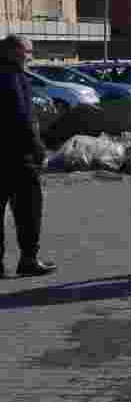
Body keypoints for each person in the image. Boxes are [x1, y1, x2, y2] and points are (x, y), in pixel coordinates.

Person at [0, 34, 54, 277]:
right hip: (17, 155)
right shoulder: (12, 75)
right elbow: (22, 117)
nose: (30, 57)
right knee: (28, 209)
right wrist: (37, 148)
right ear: (12, 52)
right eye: (27, 52)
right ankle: (28, 259)